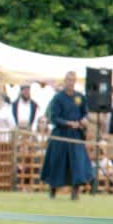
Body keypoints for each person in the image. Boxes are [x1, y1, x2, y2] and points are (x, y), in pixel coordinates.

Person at [40, 71, 94, 199]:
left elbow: (85, 112)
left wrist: (85, 119)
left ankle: (75, 192)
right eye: (68, 80)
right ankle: (53, 190)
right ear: (64, 81)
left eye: (73, 80)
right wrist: (68, 123)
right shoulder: (58, 98)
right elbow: (53, 117)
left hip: (75, 135)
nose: (70, 83)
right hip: (61, 135)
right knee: (57, 162)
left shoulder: (80, 97)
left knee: (78, 163)